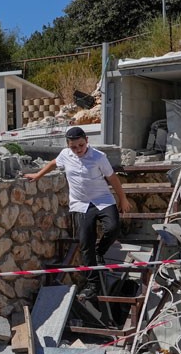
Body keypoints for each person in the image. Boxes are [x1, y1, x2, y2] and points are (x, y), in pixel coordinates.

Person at [26, 126, 128, 299]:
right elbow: (53, 163)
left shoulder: (99, 157)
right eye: (74, 147)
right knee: (84, 243)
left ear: (86, 140)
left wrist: (122, 199)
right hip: (81, 204)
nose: (78, 150)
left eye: (81, 145)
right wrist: (38, 175)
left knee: (113, 228)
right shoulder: (66, 155)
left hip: (102, 200)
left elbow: (113, 178)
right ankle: (92, 284)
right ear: (68, 145)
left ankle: (100, 251)